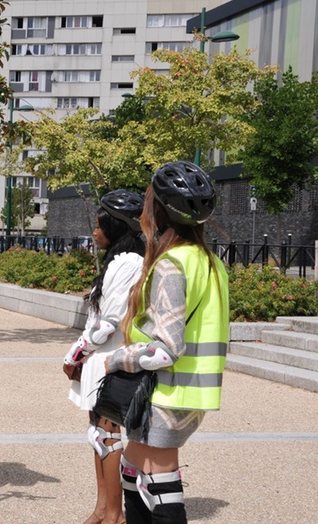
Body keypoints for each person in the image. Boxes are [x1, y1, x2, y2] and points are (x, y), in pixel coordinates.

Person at [106, 162, 228, 523]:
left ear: (157, 211)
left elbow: (166, 348)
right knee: (132, 468)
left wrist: (116, 359)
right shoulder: (209, 262)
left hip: (167, 391)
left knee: (160, 477)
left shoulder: (171, 264)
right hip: (192, 389)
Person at [64, 190, 145, 524]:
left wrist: (76, 355)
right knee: (99, 437)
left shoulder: (129, 263)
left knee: (109, 438)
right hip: (104, 359)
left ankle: (115, 513)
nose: (94, 232)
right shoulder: (119, 259)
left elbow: (108, 323)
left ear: (115, 226)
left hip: (115, 360)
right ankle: (102, 509)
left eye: (99, 225)